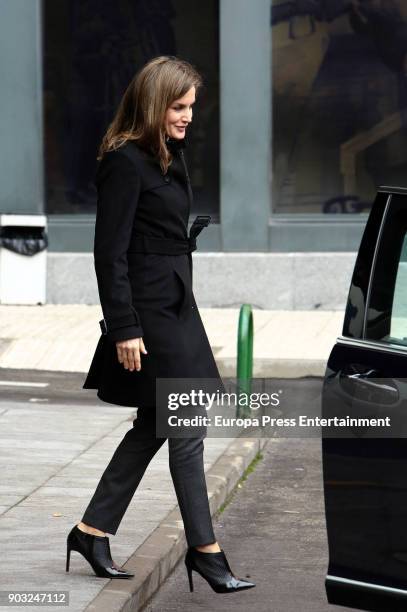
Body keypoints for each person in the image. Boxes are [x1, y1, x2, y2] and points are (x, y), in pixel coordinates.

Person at [65, 55, 255, 594]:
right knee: (186, 422)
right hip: (150, 314)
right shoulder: (125, 161)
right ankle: (206, 551)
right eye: (178, 106)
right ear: (153, 105)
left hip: (175, 305)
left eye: (191, 106)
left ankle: (92, 530)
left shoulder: (165, 155)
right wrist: (124, 326)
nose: (189, 115)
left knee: (155, 424)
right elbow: (110, 253)